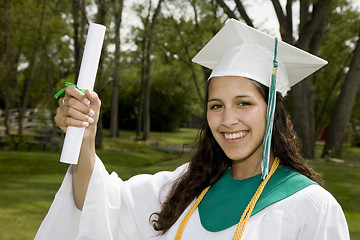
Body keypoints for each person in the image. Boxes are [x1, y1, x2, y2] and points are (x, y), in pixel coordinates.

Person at [35, 19, 350, 240]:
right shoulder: (188, 185)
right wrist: (85, 137)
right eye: (216, 105)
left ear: (273, 111)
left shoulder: (311, 207)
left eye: (244, 103)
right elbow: (100, 202)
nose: (227, 120)